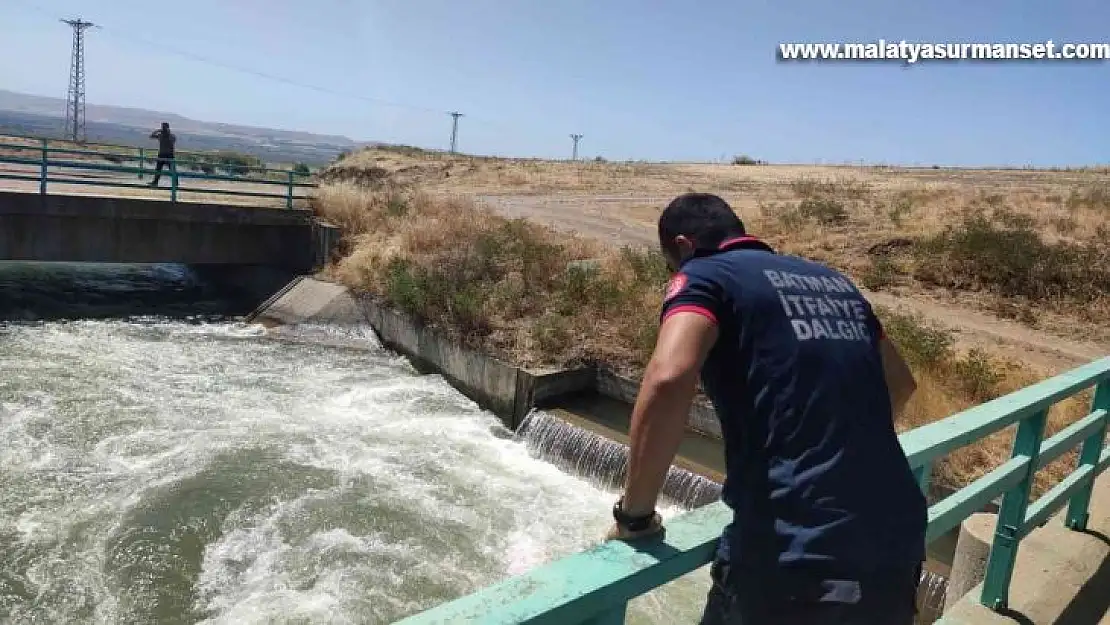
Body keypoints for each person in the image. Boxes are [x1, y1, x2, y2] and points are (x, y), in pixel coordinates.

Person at [605, 193, 926, 624]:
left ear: (683, 246)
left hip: (795, 555)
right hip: (895, 545)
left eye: (671, 264)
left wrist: (635, 516)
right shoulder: (834, 282)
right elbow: (902, 384)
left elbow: (668, 379)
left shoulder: (705, 274)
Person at [148, 122, 176, 187]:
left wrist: (168, 133)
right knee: (158, 169)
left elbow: (173, 141)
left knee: (172, 170)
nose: (163, 128)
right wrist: (158, 131)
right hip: (162, 154)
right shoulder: (161, 135)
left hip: (169, 155)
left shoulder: (172, 136)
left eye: (164, 127)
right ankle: (155, 182)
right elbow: (151, 136)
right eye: (162, 127)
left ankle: (175, 183)